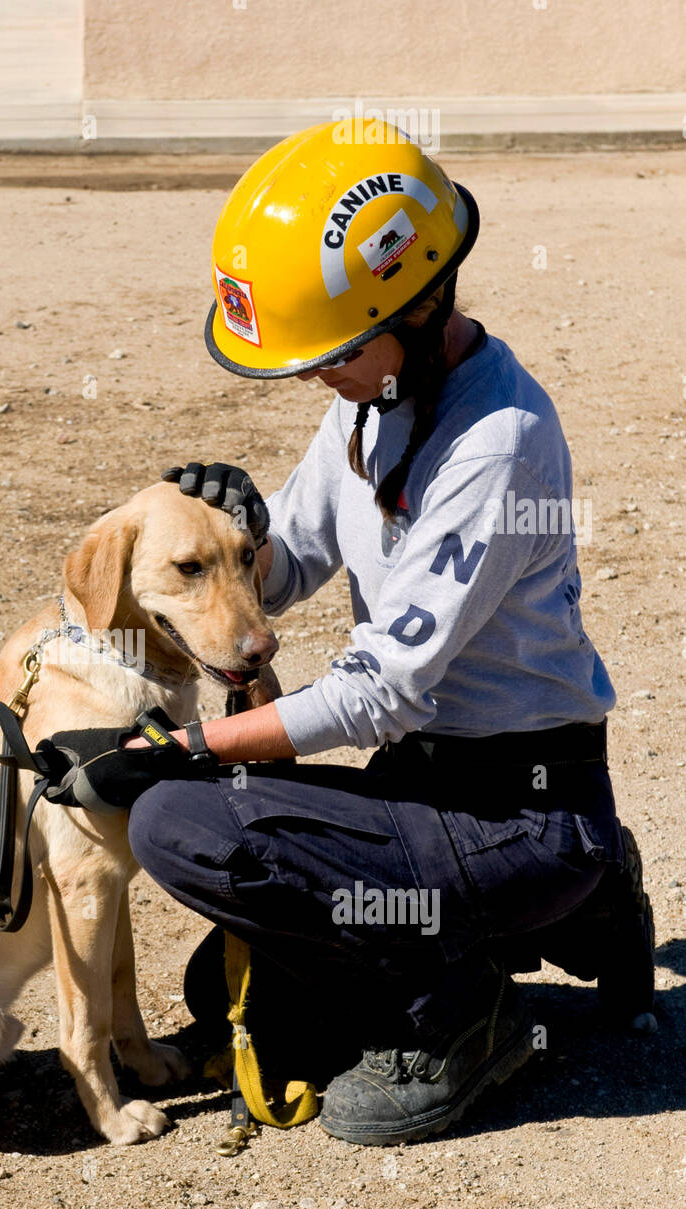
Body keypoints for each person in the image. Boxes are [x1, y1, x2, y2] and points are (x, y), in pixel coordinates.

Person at [47, 120, 655, 1146]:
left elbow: (380, 691)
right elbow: (288, 570)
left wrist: (178, 752)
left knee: (178, 824)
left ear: (415, 305)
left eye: (327, 354)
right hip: (430, 786)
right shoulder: (372, 402)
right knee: (219, 980)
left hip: (516, 805)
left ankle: (466, 1010)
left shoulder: (495, 445)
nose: (306, 379)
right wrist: (237, 539)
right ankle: (571, 906)